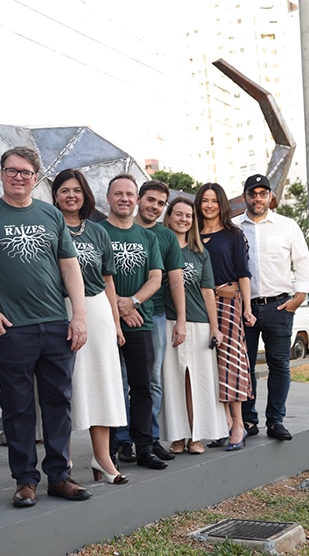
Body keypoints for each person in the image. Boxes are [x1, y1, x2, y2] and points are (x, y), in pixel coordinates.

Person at [0, 146, 90, 508]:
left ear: (35, 178)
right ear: (1, 173)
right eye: (11, 170)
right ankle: (24, 481)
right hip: (10, 329)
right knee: (18, 407)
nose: (18, 177)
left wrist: (78, 315)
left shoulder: (51, 215)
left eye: (25, 172)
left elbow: (70, 267)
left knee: (58, 403)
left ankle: (60, 476)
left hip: (55, 325)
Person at [51, 169, 128, 485]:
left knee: (102, 384)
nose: (71, 195)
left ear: (85, 195)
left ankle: (103, 458)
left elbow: (108, 281)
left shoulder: (98, 232)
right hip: (62, 308)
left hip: (97, 311)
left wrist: (115, 322)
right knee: (64, 385)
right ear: (55, 195)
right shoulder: (49, 227)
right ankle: (62, 460)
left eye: (77, 190)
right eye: (65, 190)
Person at [234, 174, 309, 442]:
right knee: (245, 366)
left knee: (280, 365)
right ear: (245, 196)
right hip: (244, 307)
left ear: (270, 197)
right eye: (252, 193)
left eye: (262, 193)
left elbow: (302, 260)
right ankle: (248, 419)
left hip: (280, 306)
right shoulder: (234, 227)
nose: (258, 198)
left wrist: (299, 296)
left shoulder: (287, 226)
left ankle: (276, 420)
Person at [99, 174, 169, 470]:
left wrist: (133, 302)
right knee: (110, 385)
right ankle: (113, 445)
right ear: (109, 198)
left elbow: (156, 277)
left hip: (140, 321)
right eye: (119, 194)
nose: (125, 199)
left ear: (136, 199)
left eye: (130, 194)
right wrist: (119, 307)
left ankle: (144, 446)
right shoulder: (97, 231)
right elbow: (94, 275)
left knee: (142, 386)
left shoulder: (149, 237)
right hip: (105, 322)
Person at [114, 179, 185, 463]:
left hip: (152, 316)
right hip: (115, 313)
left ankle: (150, 438)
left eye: (160, 203)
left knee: (151, 380)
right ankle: (122, 440)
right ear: (138, 200)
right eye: (150, 200)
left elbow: (174, 281)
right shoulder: (112, 230)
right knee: (120, 379)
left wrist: (179, 319)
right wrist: (120, 306)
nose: (154, 206)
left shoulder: (164, 237)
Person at [160, 197, 228, 455]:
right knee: (173, 381)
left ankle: (196, 436)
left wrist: (215, 327)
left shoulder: (200, 253)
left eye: (188, 216)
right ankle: (177, 436)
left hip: (198, 323)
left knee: (197, 382)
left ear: (193, 221)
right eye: (178, 214)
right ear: (169, 217)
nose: (183, 219)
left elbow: (208, 291)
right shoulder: (161, 246)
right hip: (168, 322)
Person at [196, 182, 255, 450]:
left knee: (232, 363)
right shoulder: (191, 234)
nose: (209, 206)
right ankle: (222, 423)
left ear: (222, 204)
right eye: (204, 200)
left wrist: (247, 308)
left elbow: (243, 273)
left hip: (228, 303)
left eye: (214, 201)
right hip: (197, 305)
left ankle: (239, 424)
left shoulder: (233, 234)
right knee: (208, 366)